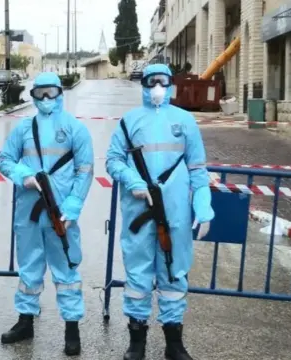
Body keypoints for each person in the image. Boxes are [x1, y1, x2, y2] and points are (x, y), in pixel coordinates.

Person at [105, 63, 213, 360]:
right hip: (138, 211)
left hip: (175, 212)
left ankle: (173, 342)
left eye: (163, 82)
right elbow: (113, 160)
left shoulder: (185, 121)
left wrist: (203, 207)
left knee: (174, 274)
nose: (157, 87)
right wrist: (132, 180)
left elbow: (198, 168)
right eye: (152, 81)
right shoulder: (129, 121)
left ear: (171, 84)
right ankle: (137, 339)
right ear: (143, 84)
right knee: (138, 276)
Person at [0, 72, 94, 356]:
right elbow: (5, 161)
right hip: (28, 210)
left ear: (60, 93)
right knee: (29, 266)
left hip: (62, 211)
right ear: (33, 96)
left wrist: (75, 203)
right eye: (39, 93)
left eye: (51, 92)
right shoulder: (23, 129)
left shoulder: (76, 129)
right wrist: (23, 175)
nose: (46, 99)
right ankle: (25, 321)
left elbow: (85, 169)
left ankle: (72, 328)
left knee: (67, 269)